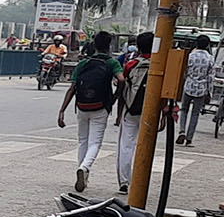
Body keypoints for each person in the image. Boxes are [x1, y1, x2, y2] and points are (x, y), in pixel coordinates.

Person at [57, 30, 123, 193]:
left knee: (83, 141)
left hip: (82, 106)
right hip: (100, 107)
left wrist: (62, 110)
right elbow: (121, 80)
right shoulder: (112, 63)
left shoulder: (83, 64)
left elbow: (72, 88)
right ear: (108, 46)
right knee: (95, 142)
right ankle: (85, 168)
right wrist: (114, 99)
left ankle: (82, 172)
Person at [115, 31, 155, 193]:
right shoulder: (160, 65)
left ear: (137, 46)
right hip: (150, 112)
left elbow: (122, 89)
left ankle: (124, 182)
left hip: (130, 110)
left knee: (126, 145)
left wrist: (119, 114)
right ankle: (141, 182)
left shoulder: (130, 65)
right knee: (145, 147)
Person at [178, 34, 215, 144]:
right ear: (208, 45)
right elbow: (211, 77)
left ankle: (182, 131)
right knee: (195, 113)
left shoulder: (190, 56)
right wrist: (209, 92)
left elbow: (184, 71)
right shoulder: (210, 58)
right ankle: (189, 138)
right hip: (201, 88)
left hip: (189, 85)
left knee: (184, 110)